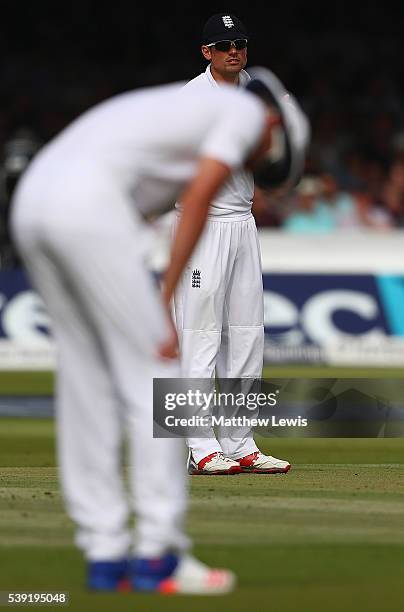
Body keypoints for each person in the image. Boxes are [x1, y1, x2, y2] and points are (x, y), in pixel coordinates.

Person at [10, 67, 309, 594]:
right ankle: (158, 555)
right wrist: (164, 294)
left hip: (34, 198)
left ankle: (104, 553)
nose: (263, 158)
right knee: (158, 362)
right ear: (275, 123)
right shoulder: (241, 111)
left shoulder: (185, 111)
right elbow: (194, 202)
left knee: (85, 377)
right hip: (86, 206)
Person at [173, 13, 292, 475]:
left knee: (247, 335)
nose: (233, 51)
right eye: (223, 45)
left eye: (239, 42)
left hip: (243, 222)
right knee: (200, 335)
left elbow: (277, 151)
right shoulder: (191, 99)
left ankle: (240, 442)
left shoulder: (258, 91)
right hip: (203, 224)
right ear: (207, 53)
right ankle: (200, 446)